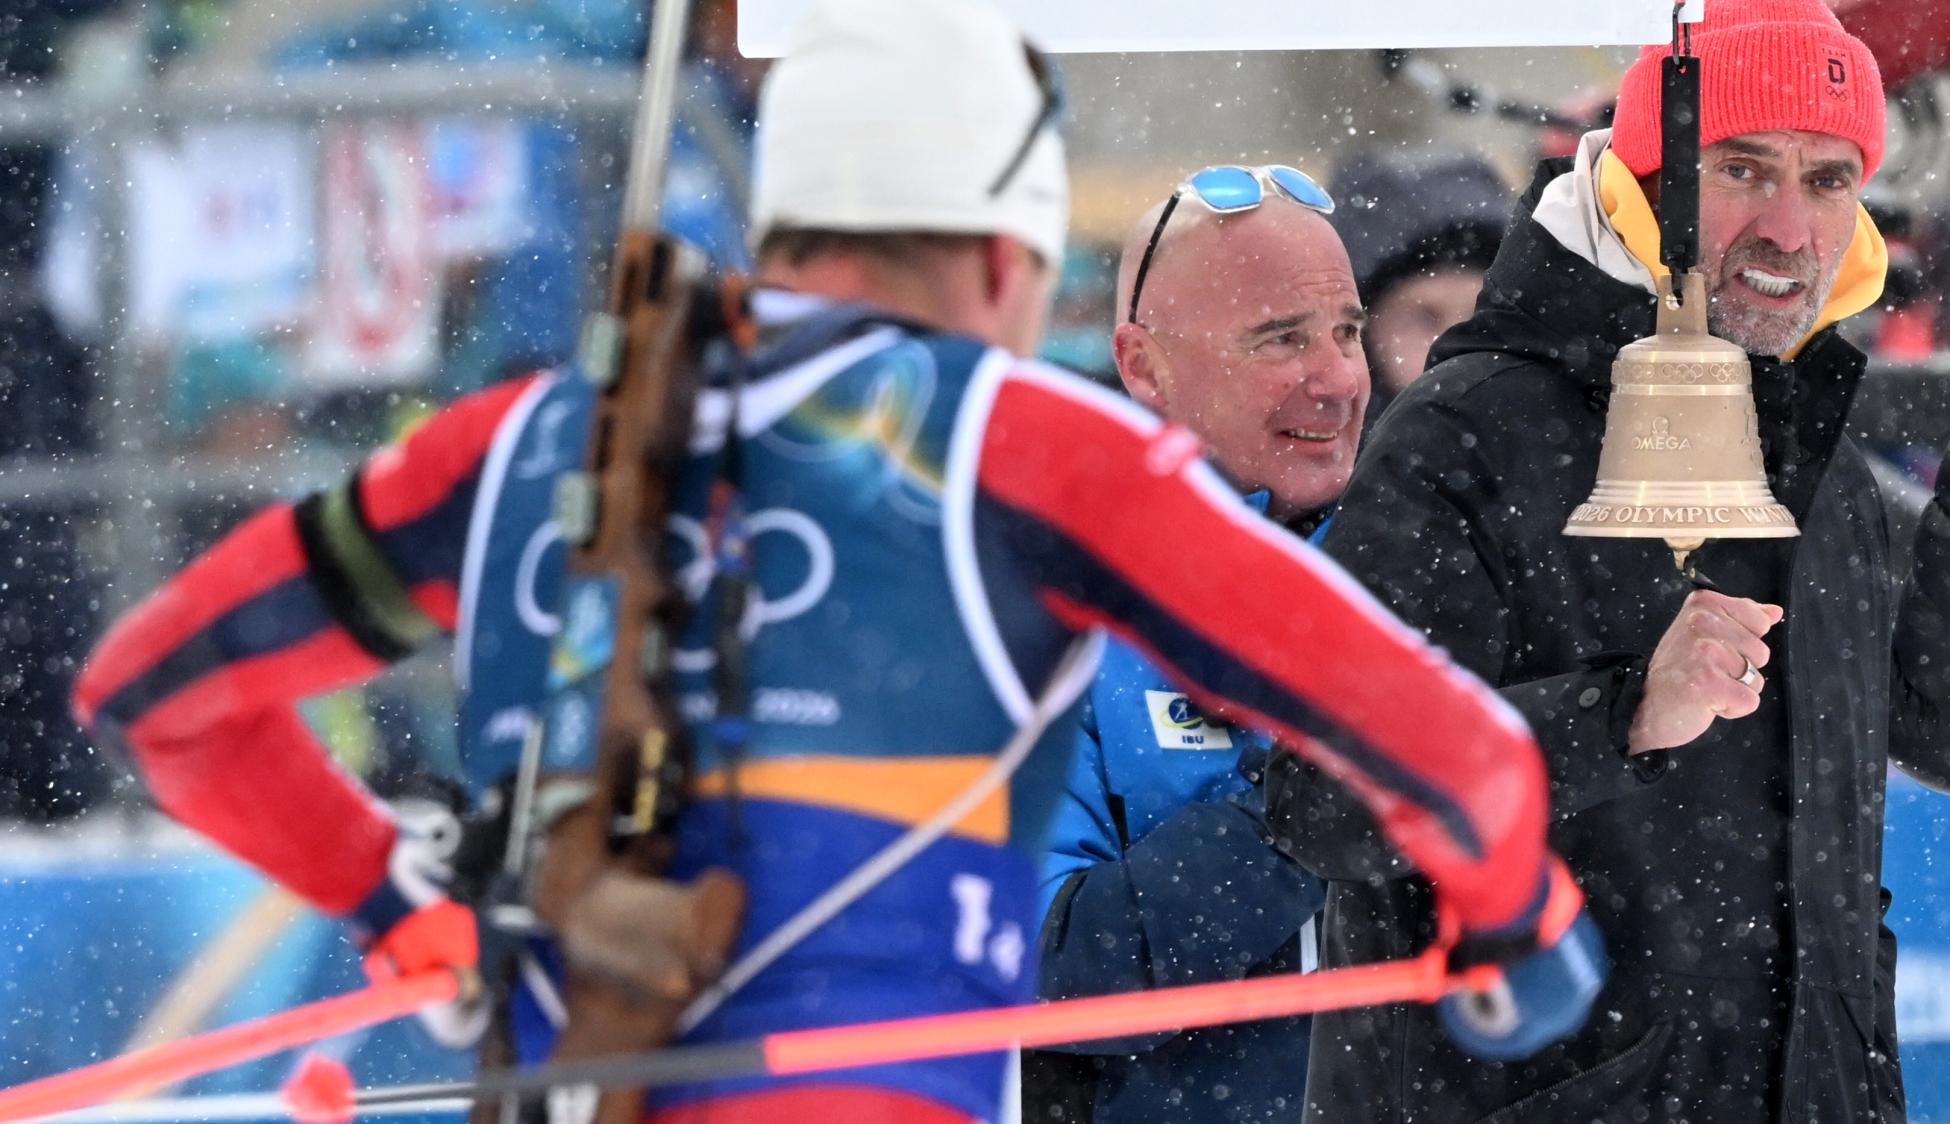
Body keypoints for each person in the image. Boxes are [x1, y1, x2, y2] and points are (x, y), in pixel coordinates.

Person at [71, 0, 1604, 1121]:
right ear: (1008, 258)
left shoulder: (522, 440)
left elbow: (159, 700)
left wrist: (398, 907)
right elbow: (1456, 756)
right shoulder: (1031, 449)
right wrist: (1520, 932)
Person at [1268, 1, 1950, 1120]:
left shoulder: (1821, 458)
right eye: (1742, 169)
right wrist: (1617, 714)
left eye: (1827, 179)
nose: (1790, 229)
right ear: (1643, 184)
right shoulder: (1467, 431)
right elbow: (1323, 795)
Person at [1026, 166, 1367, 1124]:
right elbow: (1057, 973)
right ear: (1143, 364)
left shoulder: (1437, 569)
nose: (1337, 377)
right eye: (1280, 339)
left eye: (1345, 329)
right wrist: (1320, 797)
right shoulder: (1054, 612)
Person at [1324, 150, 1508, 422]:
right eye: (1425, 319)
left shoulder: (1570, 443)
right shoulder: (1300, 456)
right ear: (1361, 334)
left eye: (1482, 318)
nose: (1458, 348)